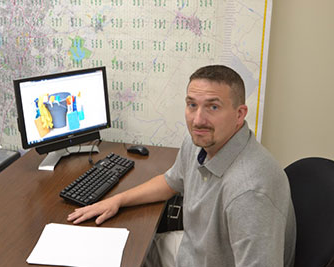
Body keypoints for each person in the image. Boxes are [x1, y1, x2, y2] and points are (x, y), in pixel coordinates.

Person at [67, 65, 296, 266]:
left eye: (213, 107)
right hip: (194, 250)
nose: (198, 120)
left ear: (239, 114)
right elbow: (170, 182)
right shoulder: (200, 142)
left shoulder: (249, 193)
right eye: (192, 105)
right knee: (124, 251)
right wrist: (116, 200)